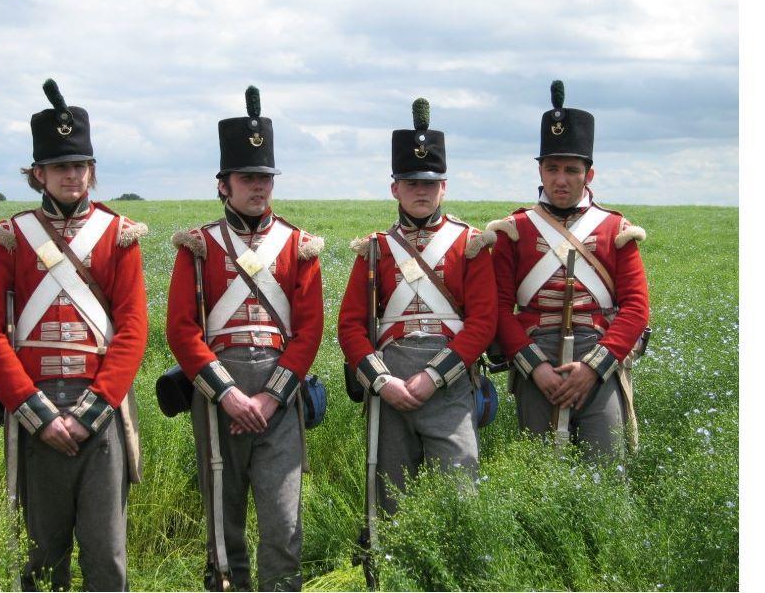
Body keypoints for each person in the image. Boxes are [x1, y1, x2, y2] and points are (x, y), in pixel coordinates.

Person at [0, 79, 148, 591]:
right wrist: (39, 414)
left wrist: (94, 409)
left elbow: (133, 330)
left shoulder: (119, 236)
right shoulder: (11, 238)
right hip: (37, 410)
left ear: (91, 170)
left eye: (80, 165)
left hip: (102, 406)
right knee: (43, 556)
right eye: (61, 166)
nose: (73, 175)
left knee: (107, 555)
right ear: (39, 174)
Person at [166, 86, 324, 592]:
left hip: (278, 398)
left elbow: (309, 330)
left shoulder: (298, 245)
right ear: (224, 183)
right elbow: (182, 330)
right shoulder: (198, 246)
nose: (258, 186)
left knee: (283, 526)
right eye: (247, 177)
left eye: (264, 177)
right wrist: (231, 395)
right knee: (222, 527)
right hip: (218, 398)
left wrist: (269, 396)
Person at [337, 98, 497, 515]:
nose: (421, 191)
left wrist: (433, 376)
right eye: (411, 183)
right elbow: (351, 327)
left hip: (450, 380)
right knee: (390, 504)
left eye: (429, 182)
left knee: (459, 500)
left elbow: (482, 322)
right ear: (395, 188)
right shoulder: (374, 249)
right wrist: (383, 381)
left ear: (444, 186)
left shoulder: (470, 243)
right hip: (390, 381)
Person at [489, 80, 650, 460]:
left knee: (607, 466)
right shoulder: (515, 230)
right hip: (535, 355)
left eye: (572, 170)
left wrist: (594, 368)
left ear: (588, 174)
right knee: (542, 469)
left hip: (599, 354)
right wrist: (536, 367)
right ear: (541, 171)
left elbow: (636, 309)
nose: (561, 179)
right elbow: (497, 308)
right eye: (553, 168)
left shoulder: (615, 230)